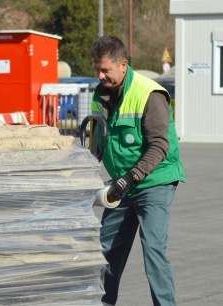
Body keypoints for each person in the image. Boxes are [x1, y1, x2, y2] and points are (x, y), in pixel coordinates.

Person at [89, 35, 186, 306]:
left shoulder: (149, 93)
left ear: (123, 64)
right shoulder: (100, 95)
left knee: (153, 249)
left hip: (154, 180)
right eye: (97, 68)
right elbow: (96, 143)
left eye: (105, 70)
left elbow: (158, 146)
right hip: (122, 183)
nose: (100, 75)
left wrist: (130, 178)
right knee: (107, 252)